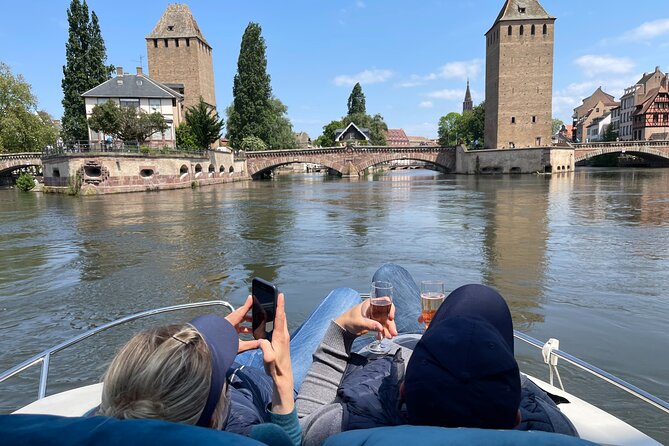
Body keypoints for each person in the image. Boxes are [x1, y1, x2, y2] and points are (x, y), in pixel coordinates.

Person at [296, 264, 577, 445]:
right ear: (516, 415)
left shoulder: (346, 428)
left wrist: (341, 332)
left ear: (403, 390)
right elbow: (525, 390)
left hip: (386, 349)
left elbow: (299, 428)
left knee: (377, 279)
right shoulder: (553, 431)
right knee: (481, 299)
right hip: (432, 356)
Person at [99, 294, 299, 446]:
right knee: (332, 301)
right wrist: (282, 379)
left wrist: (207, 345)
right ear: (213, 421)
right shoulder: (258, 436)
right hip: (273, 388)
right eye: (220, 373)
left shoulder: (112, 415)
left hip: (249, 368)